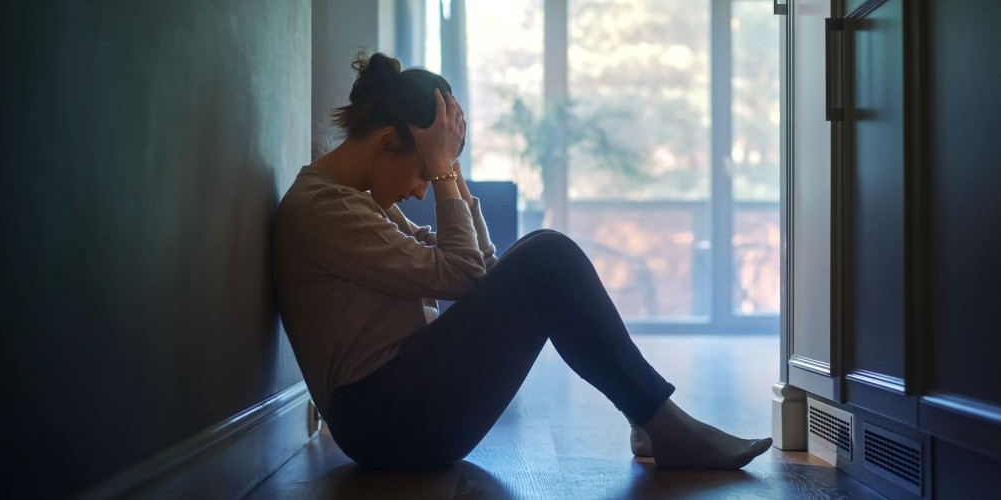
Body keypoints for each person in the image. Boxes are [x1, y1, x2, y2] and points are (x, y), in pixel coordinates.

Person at [271, 53, 772, 470]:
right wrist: (445, 174)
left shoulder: (355, 203)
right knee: (549, 255)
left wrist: (452, 175)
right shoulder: (326, 209)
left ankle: (653, 422)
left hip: (400, 409)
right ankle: (659, 423)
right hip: (385, 424)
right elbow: (464, 273)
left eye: (433, 175)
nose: (422, 190)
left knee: (545, 252)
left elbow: (479, 274)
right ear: (385, 142)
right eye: (425, 172)